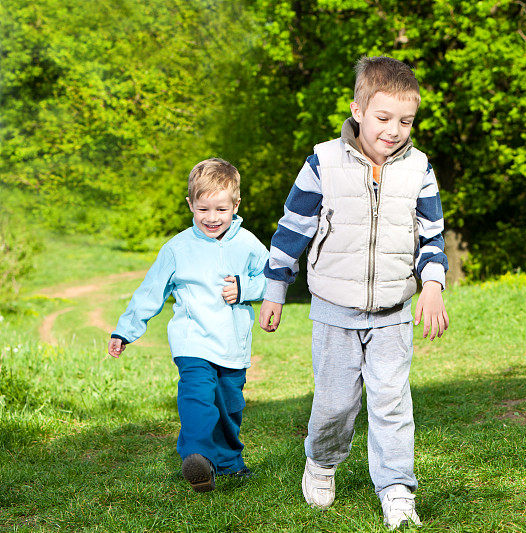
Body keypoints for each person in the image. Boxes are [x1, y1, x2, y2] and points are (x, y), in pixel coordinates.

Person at [259, 56, 449, 529]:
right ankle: (321, 463)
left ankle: (397, 489)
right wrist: (274, 290)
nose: (395, 129)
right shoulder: (322, 161)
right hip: (333, 311)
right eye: (384, 118)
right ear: (358, 110)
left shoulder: (420, 168)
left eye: (405, 120)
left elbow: (432, 236)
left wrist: (431, 284)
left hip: (392, 311)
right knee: (335, 403)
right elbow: (292, 231)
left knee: (391, 400)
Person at [107, 158, 268, 493]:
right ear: (191, 204)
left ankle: (228, 464)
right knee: (196, 398)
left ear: (236, 205)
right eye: (203, 209)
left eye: (221, 209)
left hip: (232, 344)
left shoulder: (248, 244)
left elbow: (274, 280)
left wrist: (246, 289)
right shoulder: (177, 248)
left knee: (229, 406)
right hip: (192, 342)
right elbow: (151, 290)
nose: (212, 218)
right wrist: (126, 329)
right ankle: (197, 457)